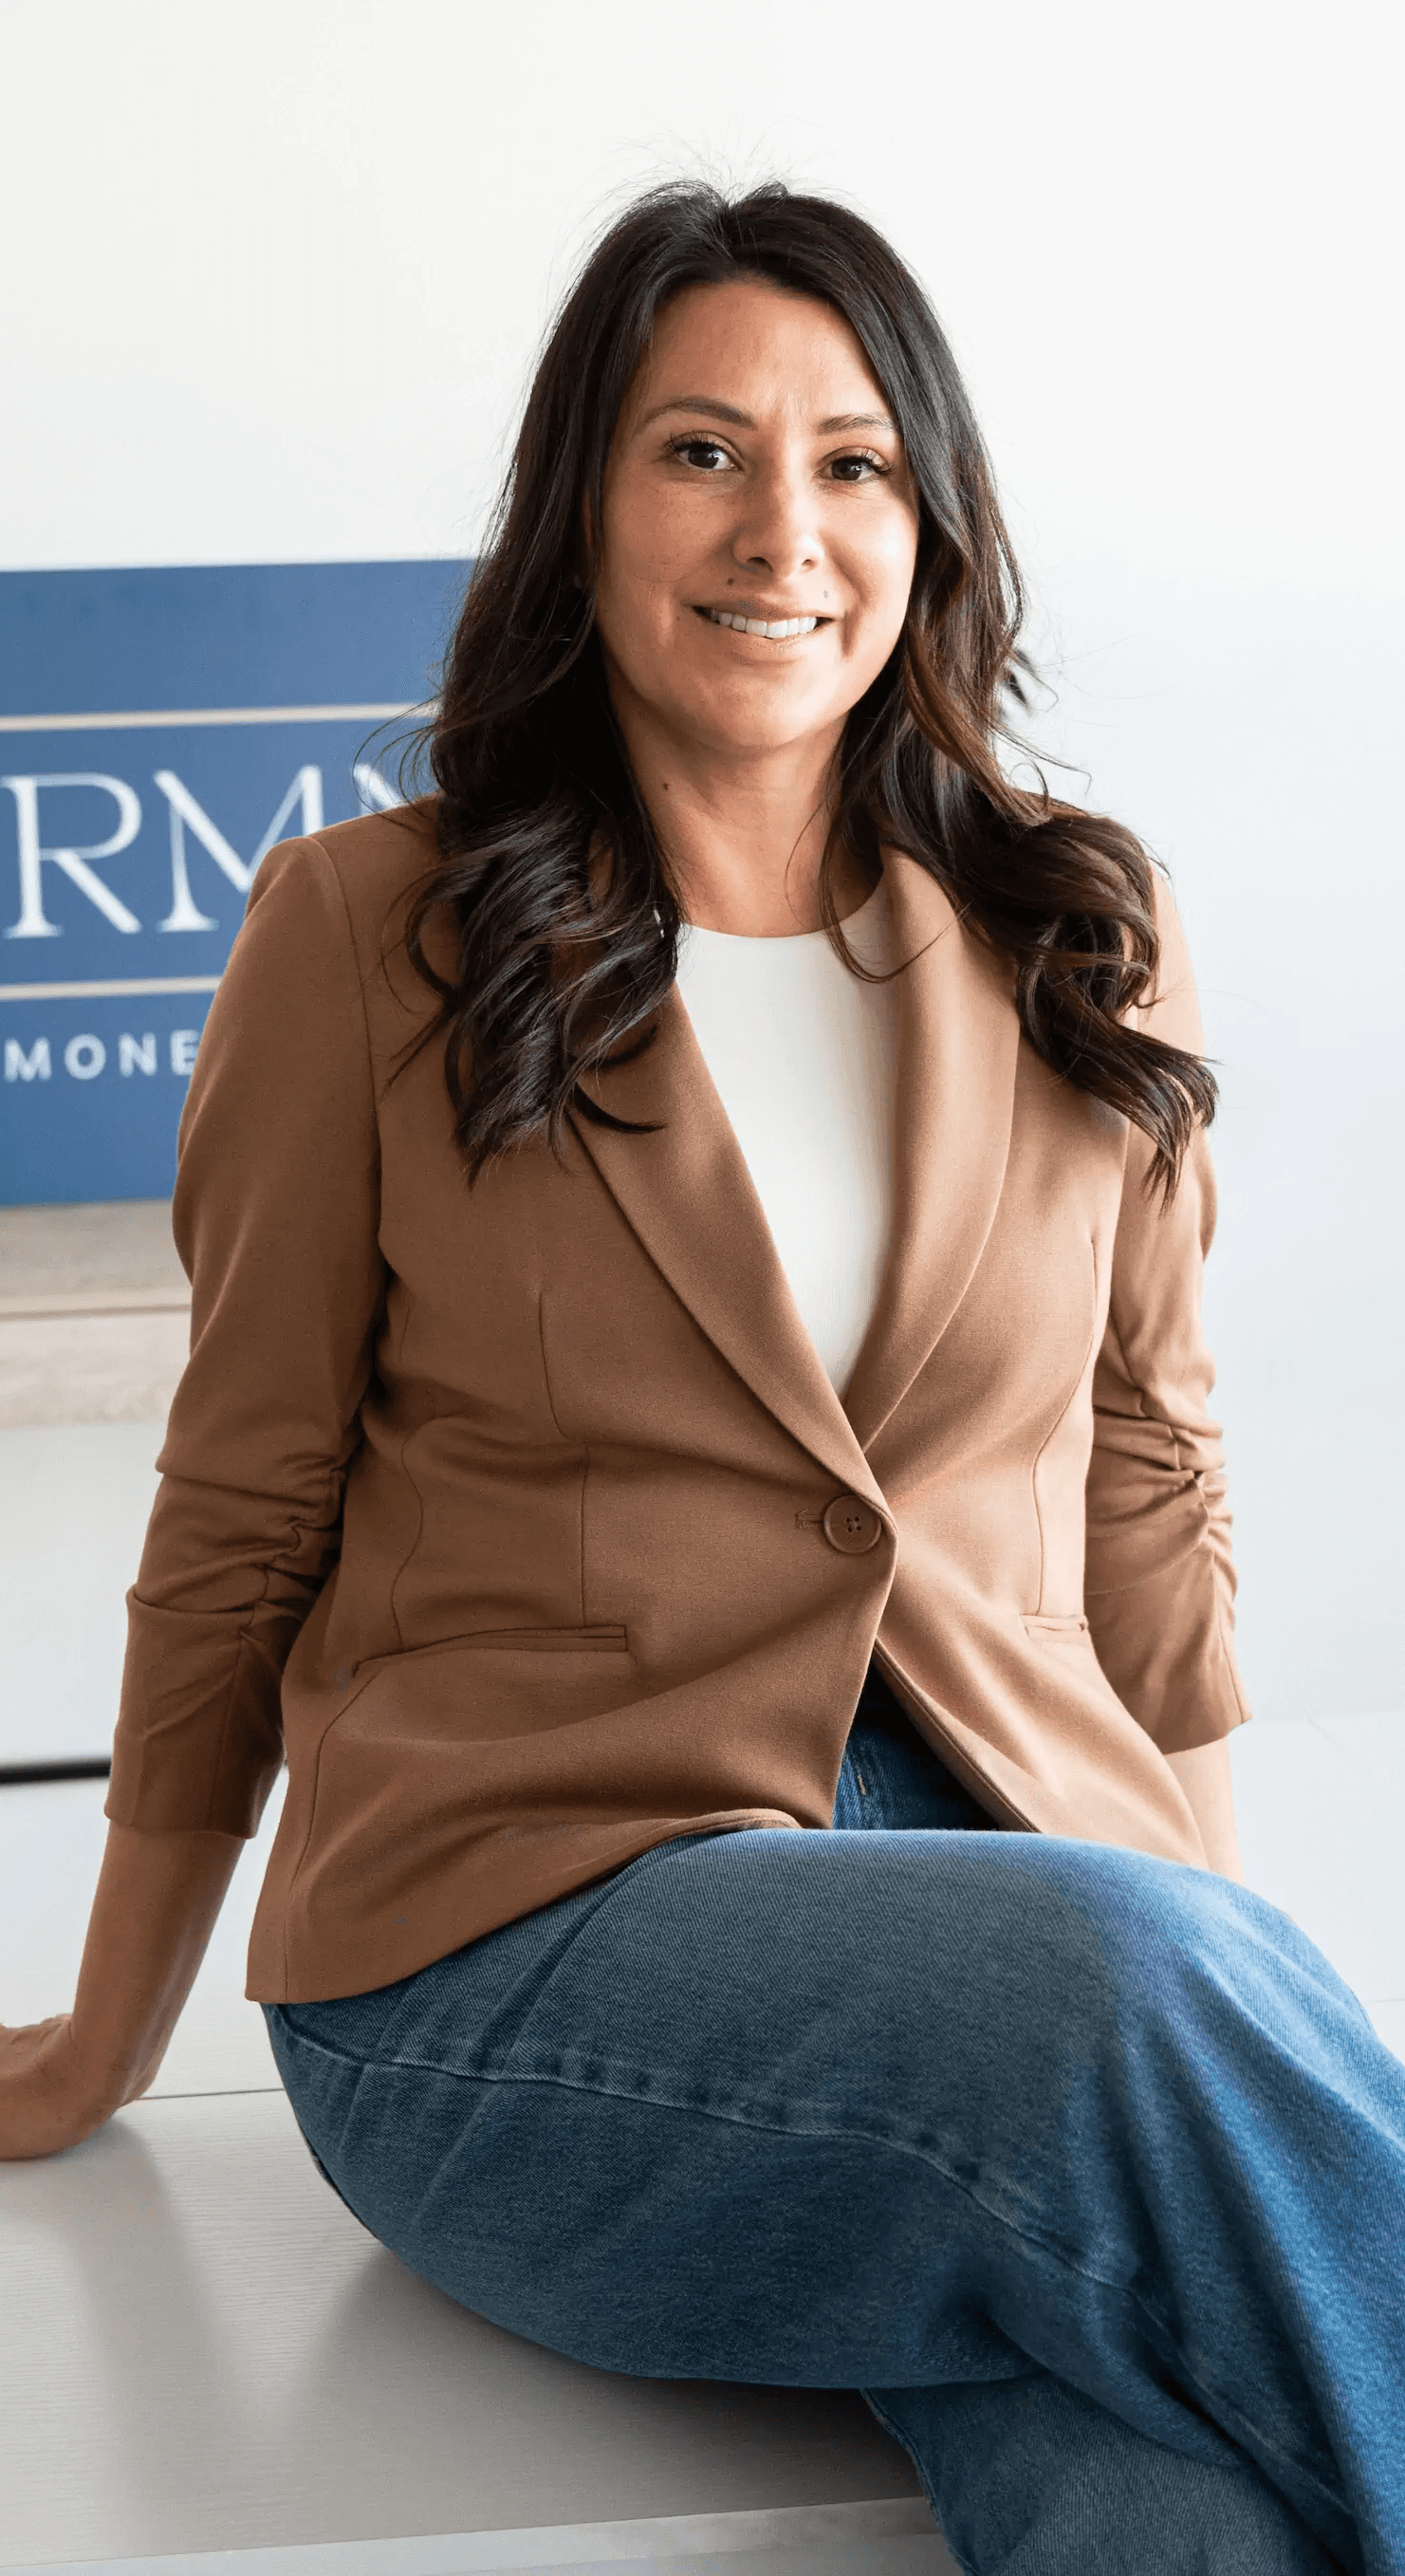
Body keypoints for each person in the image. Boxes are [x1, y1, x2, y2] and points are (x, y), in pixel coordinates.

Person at [2, 182, 1400, 2574]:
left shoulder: (1082, 925)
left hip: (1007, 1926)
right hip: (520, 1943)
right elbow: (241, 1509)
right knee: (1118, 1990)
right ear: (584, 506)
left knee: (1151, 2486)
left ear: (928, 522)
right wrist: (107, 2033)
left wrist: (1219, 1962)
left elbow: (1149, 1468)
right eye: (699, 452)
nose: (785, 528)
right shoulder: (369, 936)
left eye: (853, 460)